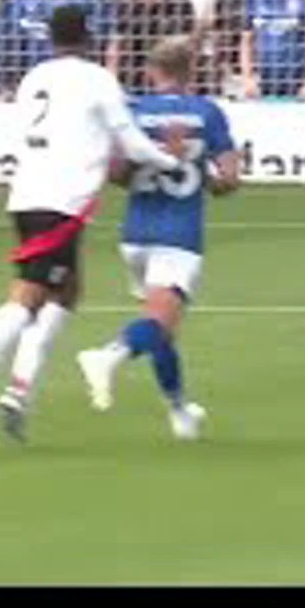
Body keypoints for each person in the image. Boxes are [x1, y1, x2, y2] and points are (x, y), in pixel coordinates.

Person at [0, 4, 186, 446]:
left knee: (66, 293)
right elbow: (130, 141)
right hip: (61, 202)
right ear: (88, 39)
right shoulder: (96, 79)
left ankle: (18, 391)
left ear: (51, 39)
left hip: (30, 194)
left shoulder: (35, 77)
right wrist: (169, 158)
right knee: (27, 297)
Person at [74, 37, 240, 441]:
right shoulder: (208, 113)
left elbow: (115, 172)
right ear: (191, 72)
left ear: (152, 72)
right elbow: (229, 180)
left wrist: (150, 158)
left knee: (163, 327)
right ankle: (108, 355)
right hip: (178, 235)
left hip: (136, 234)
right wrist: (193, 167)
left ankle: (180, 410)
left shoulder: (134, 112)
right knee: (156, 324)